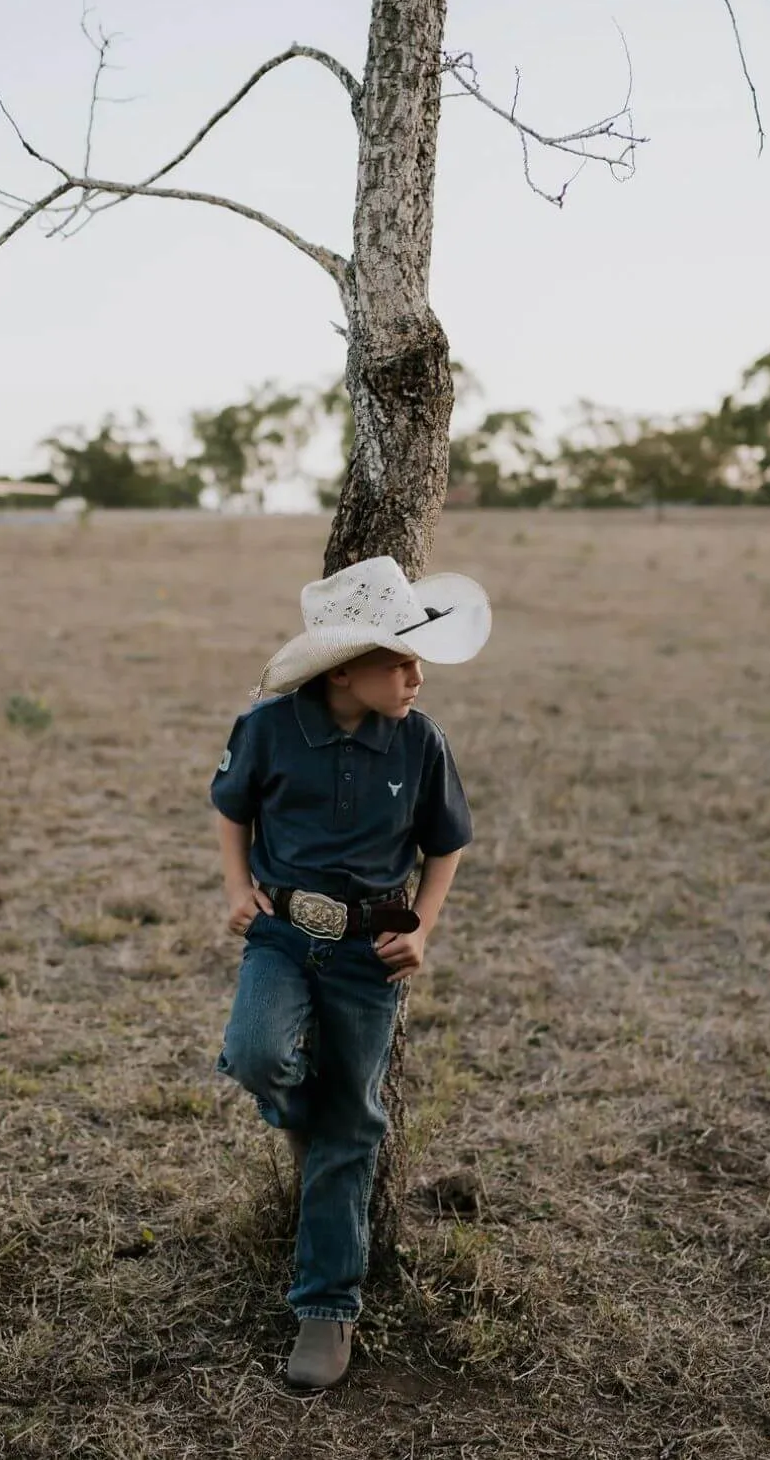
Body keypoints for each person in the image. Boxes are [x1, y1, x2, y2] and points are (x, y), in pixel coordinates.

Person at [209, 554, 491, 1390]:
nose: (415, 677)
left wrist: (425, 931)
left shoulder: (421, 740)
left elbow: (447, 846)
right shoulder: (266, 728)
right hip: (284, 935)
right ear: (342, 669)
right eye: (399, 661)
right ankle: (303, 1117)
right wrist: (235, 886)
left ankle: (327, 1308)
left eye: (417, 661)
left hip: (373, 952)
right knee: (258, 1053)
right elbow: (231, 809)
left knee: (352, 1125)